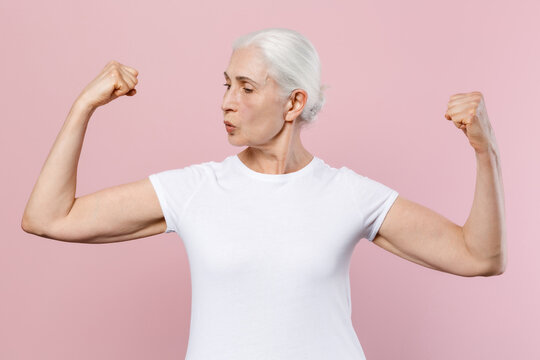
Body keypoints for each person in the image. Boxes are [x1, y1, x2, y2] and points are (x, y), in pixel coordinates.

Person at [21, 27, 507, 359]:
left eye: (247, 88)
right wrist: (83, 106)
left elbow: (479, 256)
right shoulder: (196, 189)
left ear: (294, 101)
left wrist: (487, 155)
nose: (227, 102)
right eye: (227, 84)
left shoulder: (347, 194)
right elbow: (49, 217)